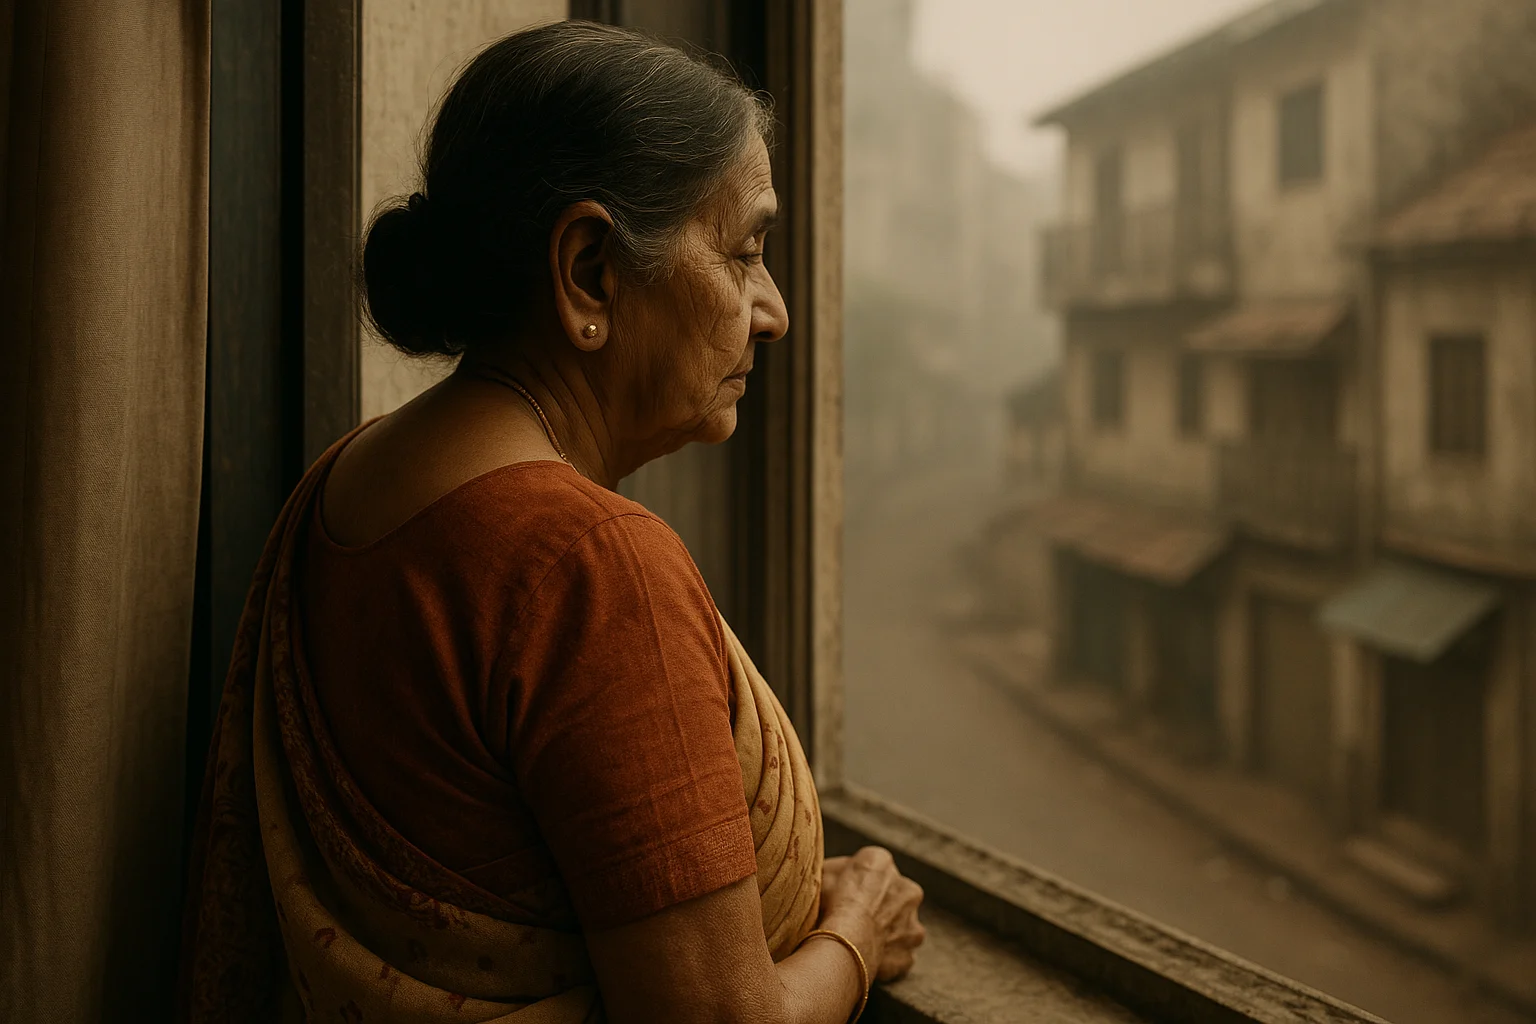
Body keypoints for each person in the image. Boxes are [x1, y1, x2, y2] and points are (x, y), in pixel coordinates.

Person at [178, 20, 924, 1024]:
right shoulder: (588, 566)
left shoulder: (345, 483)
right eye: (746, 252)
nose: (774, 310)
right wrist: (857, 932)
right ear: (588, 272)